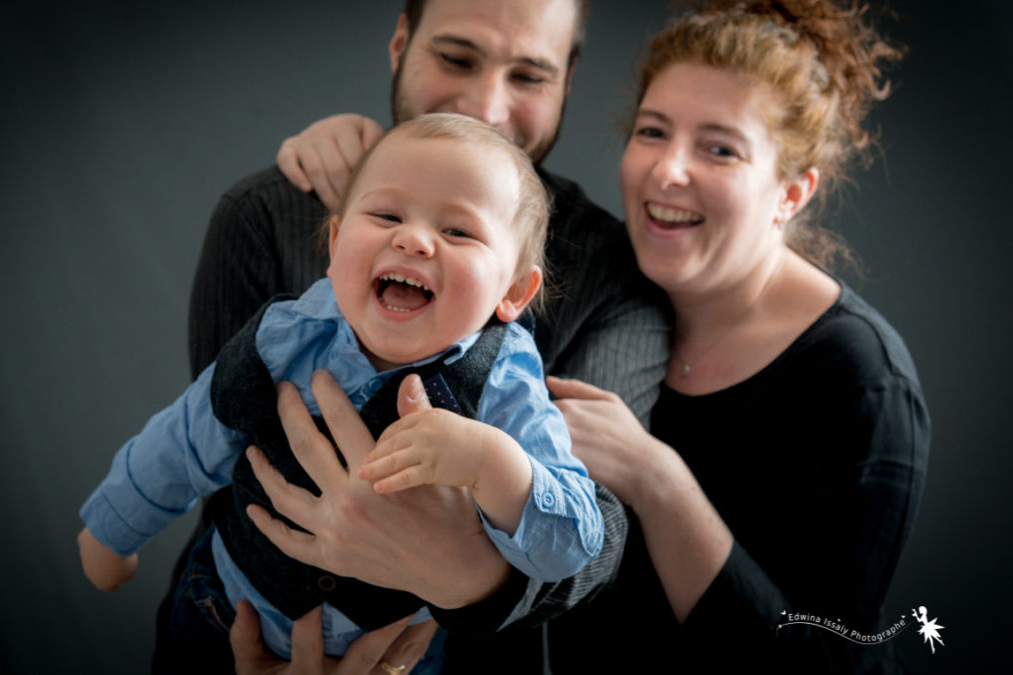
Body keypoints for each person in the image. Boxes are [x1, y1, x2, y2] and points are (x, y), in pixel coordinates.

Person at [175, 0, 670, 672]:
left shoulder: (613, 277)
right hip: (244, 638)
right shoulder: (268, 213)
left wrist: (464, 573)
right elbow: (215, 454)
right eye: (456, 57)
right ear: (401, 44)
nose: (484, 105)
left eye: (529, 76)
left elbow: (596, 534)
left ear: (567, 82)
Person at [77, 114, 606, 672]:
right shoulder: (284, 337)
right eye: (385, 215)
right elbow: (187, 436)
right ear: (334, 243)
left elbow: (571, 544)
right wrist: (115, 529)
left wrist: (492, 463)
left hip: (390, 656)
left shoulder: (506, 385)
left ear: (515, 290)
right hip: (227, 615)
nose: (412, 238)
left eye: (458, 231)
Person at [535, 0, 929, 671]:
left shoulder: (861, 380)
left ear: (791, 193)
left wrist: (659, 480)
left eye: (719, 148)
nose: (667, 170)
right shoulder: (600, 281)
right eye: (652, 132)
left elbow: (823, 663)